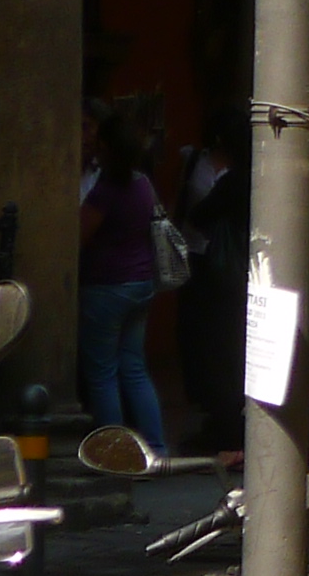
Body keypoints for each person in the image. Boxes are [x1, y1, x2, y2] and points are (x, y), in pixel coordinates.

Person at [76, 104, 168, 446]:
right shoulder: (143, 184)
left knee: (102, 374)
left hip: (106, 286)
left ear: (107, 147)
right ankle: (157, 447)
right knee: (134, 369)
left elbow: (79, 235)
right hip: (141, 283)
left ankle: (113, 453)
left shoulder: (105, 192)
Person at [174, 113, 249, 452]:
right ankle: (230, 425)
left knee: (219, 352)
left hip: (224, 276)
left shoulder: (232, 181)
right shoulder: (259, 175)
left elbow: (199, 216)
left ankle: (226, 429)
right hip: (251, 272)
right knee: (234, 351)